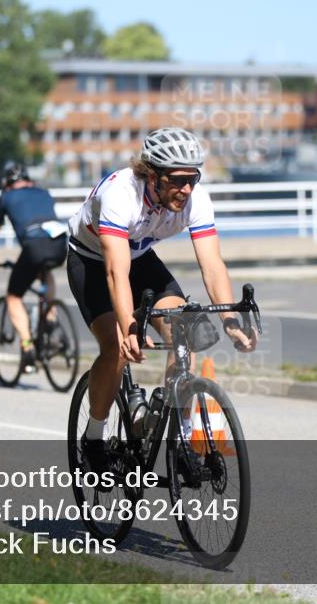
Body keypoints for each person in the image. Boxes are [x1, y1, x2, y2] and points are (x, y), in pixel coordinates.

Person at [66, 127, 258, 474]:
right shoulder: (120, 194)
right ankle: (94, 436)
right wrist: (129, 327)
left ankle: (178, 438)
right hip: (93, 262)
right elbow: (115, 273)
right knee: (114, 347)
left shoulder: (195, 199)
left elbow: (212, 265)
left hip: (140, 258)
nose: (186, 189)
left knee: (185, 335)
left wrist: (230, 320)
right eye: (177, 180)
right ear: (151, 175)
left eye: (193, 179)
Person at [0, 162, 67, 370]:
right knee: (45, 272)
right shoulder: (44, 193)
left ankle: (26, 347)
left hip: (34, 248)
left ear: (7, 184)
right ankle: (50, 316)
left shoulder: (6, 197)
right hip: (60, 243)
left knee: (14, 297)